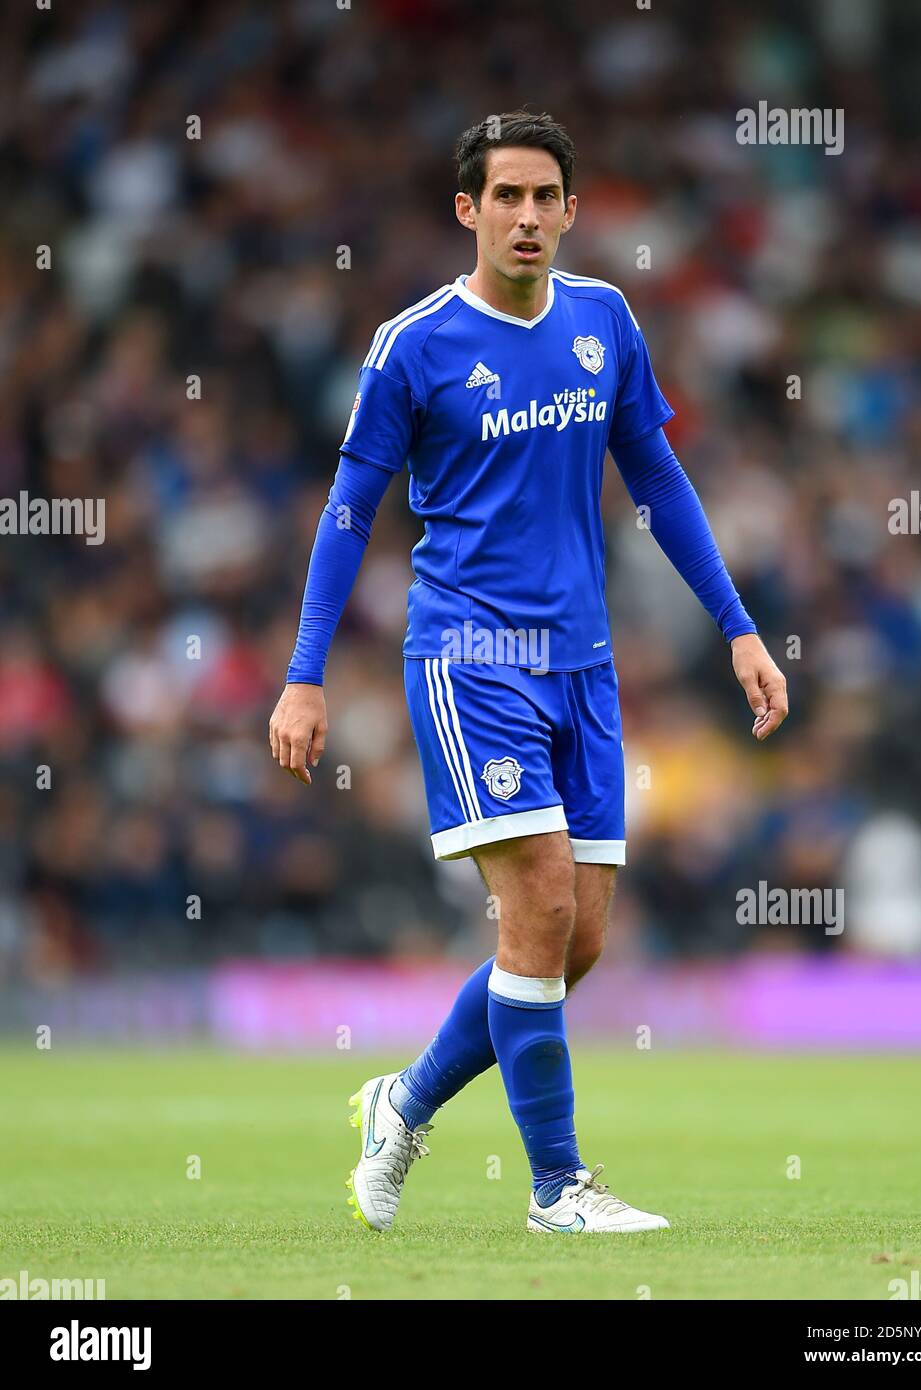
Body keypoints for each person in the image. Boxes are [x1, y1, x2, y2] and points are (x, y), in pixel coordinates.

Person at [268, 111, 788, 1234]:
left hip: (582, 667)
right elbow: (348, 511)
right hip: (469, 658)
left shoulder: (603, 321)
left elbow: (657, 477)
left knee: (573, 938)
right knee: (541, 900)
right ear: (467, 210)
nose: (526, 216)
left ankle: (400, 1104)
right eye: (503, 196)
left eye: (544, 196)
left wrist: (737, 626)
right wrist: (305, 672)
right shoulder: (412, 345)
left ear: (567, 207)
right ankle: (558, 1186)